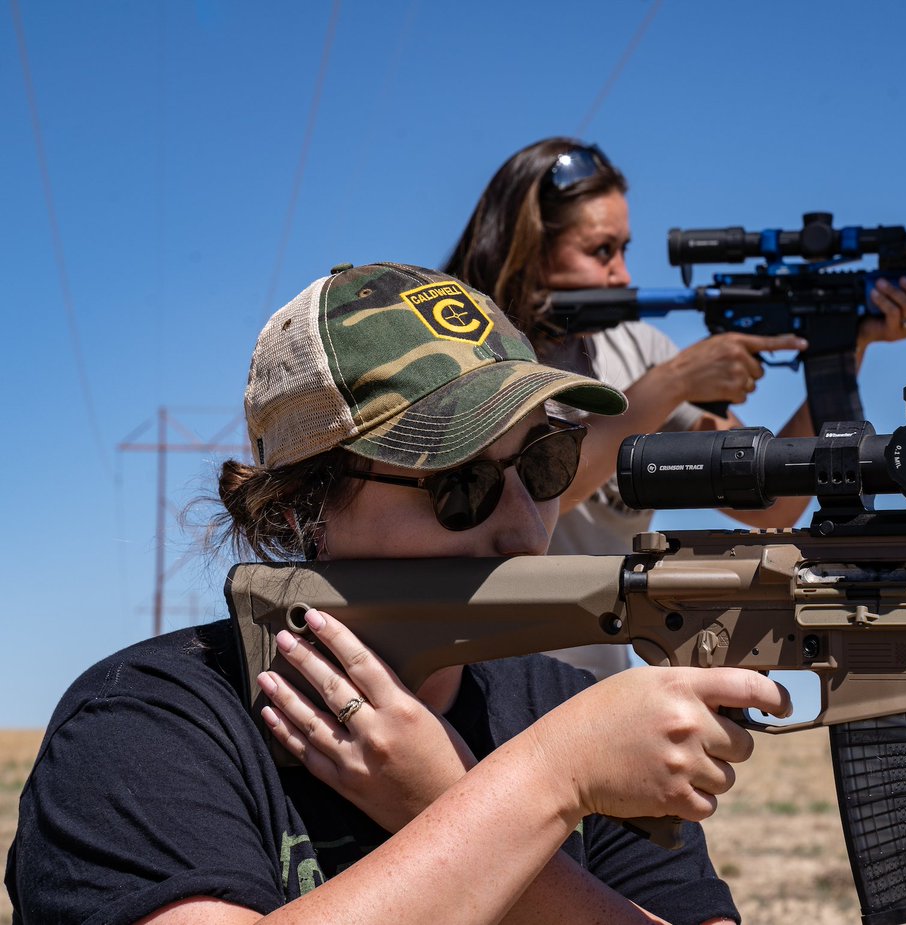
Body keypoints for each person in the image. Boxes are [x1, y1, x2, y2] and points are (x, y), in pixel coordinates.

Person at [5, 263, 791, 925]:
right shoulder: (144, 726)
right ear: (298, 509)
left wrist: (451, 799)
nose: (525, 529)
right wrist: (544, 784)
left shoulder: (563, 708)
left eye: (545, 464)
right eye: (462, 484)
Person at [445, 137, 906, 678]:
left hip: (590, 682)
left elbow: (770, 507)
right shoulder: (467, 349)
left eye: (623, 249)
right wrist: (673, 382)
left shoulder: (636, 349)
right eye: (601, 251)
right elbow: (539, 496)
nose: (622, 274)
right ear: (528, 248)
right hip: (481, 673)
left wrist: (846, 345)